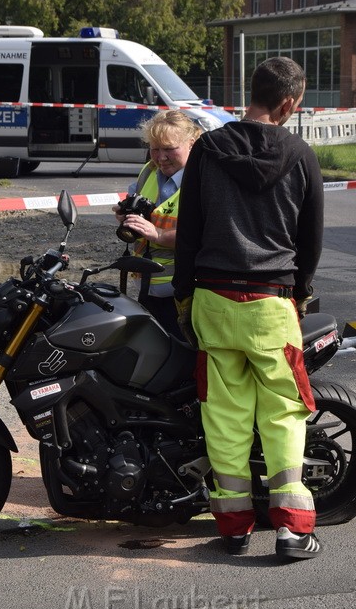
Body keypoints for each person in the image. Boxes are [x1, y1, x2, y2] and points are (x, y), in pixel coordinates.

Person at [173, 57, 324, 560]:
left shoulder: (208, 149)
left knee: (225, 416)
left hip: (214, 299)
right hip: (271, 303)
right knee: (283, 416)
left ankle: (233, 526)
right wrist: (299, 292)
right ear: (288, 104)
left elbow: (188, 231)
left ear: (250, 93)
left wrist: (183, 294)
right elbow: (311, 238)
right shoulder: (301, 154)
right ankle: (293, 530)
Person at [114, 110, 202, 339]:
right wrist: (125, 215)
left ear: (191, 143)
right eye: (155, 148)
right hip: (148, 289)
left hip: (188, 293)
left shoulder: (203, 179)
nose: (161, 157)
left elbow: (205, 232)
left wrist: (160, 235)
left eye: (169, 148)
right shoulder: (149, 171)